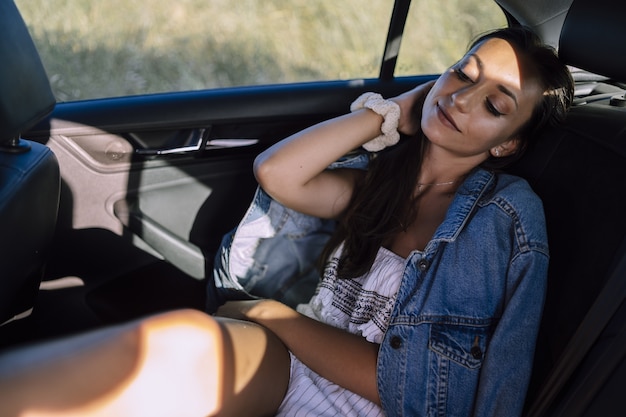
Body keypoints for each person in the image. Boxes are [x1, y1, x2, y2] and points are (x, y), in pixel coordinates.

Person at [0, 26, 573, 417]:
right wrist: (395, 110)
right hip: (295, 367)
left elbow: (416, 392)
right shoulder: (382, 181)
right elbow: (278, 173)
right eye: (461, 75)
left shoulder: (500, 218)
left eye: (495, 105)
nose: (464, 100)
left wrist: (267, 313)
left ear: (508, 144)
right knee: (182, 343)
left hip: (374, 403)